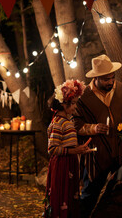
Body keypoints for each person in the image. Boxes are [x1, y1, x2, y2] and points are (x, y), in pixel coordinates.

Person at [73, 54, 122, 218]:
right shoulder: (83, 98)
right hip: (96, 156)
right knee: (89, 196)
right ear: (96, 78)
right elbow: (75, 125)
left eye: (112, 78)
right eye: (106, 79)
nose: (110, 82)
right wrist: (94, 128)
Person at [44, 79, 93, 218]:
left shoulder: (67, 121)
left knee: (70, 197)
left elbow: (66, 144)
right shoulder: (59, 122)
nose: (75, 107)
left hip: (69, 165)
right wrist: (74, 151)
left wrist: (80, 149)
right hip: (61, 167)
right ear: (63, 104)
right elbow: (52, 149)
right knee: (62, 196)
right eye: (73, 103)